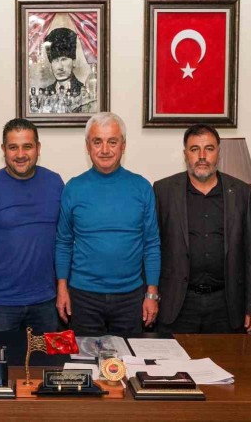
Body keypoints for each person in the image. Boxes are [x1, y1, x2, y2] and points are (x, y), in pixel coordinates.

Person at [55, 112, 161, 335]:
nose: (105, 150)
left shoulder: (142, 188)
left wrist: (151, 293)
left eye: (112, 142)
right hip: (83, 296)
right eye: (97, 142)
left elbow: (151, 245)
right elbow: (63, 242)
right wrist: (62, 287)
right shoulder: (73, 188)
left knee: (128, 357)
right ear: (88, 146)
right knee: (84, 356)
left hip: (131, 297)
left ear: (123, 145)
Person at [153, 124, 251, 335]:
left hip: (226, 303)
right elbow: (152, 248)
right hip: (178, 302)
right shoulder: (163, 191)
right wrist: (150, 295)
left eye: (209, 149)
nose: (202, 156)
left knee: (227, 357)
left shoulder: (241, 192)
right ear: (185, 154)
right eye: (195, 149)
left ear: (218, 153)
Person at [0, 119, 64, 333]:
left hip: (45, 302)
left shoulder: (55, 183)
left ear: (38, 148)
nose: (20, 154)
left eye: (27, 146)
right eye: (13, 147)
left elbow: (64, 240)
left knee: (44, 356)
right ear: (3, 150)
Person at [42, 28, 84, 97]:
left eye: (64, 59)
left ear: (74, 62)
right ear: (51, 65)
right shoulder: (44, 93)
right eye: (55, 60)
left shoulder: (84, 91)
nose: (60, 67)